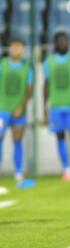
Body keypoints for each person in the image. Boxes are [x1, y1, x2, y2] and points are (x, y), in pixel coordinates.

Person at [43, 31, 70, 181]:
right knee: (60, 136)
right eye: (59, 41)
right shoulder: (49, 61)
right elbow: (46, 85)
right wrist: (44, 107)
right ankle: (67, 170)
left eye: (64, 40)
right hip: (56, 105)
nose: (62, 43)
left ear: (68, 42)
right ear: (55, 43)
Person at [0, 38, 34, 182]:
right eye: (13, 47)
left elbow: (29, 88)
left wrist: (21, 106)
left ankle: (18, 172)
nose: (15, 50)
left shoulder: (27, 67)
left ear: (23, 50)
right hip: (2, 109)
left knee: (17, 140)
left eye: (18, 47)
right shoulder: (3, 64)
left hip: (19, 111)